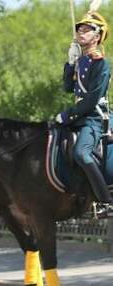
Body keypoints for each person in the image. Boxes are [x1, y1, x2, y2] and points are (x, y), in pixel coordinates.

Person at [55, 11, 112, 217]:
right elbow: (68, 88)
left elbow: (92, 100)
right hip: (79, 116)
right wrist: (70, 64)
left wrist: (68, 114)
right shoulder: (81, 61)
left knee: (81, 153)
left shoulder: (102, 64)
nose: (80, 31)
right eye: (79, 29)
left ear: (97, 37)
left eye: (86, 29)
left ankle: (107, 202)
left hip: (93, 118)